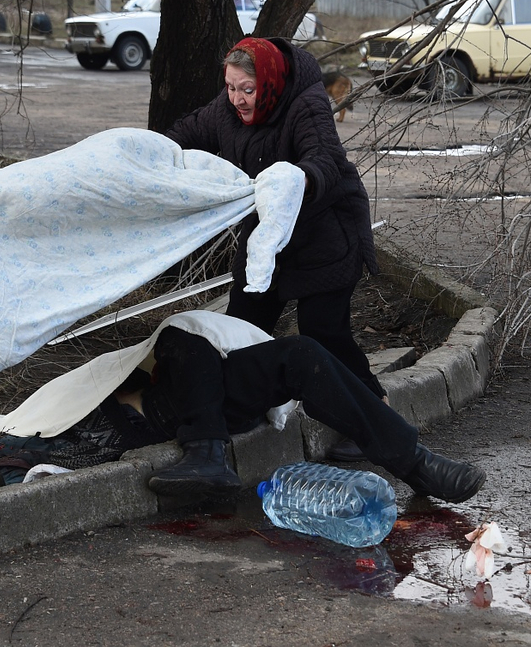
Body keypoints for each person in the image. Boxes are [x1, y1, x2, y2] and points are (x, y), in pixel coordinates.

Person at [0, 311, 485, 505]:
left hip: (208, 407)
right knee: (179, 336)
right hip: (160, 416)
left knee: (300, 352)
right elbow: (42, 426)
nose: (238, 97)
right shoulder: (126, 379)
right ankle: (206, 452)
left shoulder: (191, 353)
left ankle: (416, 466)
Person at [164, 37, 383, 460]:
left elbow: (325, 160)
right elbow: (185, 136)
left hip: (326, 234)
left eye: (247, 89)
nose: (238, 99)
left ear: (269, 80)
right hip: (267, 241)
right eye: (230, 87)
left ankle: (374, 419)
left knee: (325, 333)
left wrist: (294, 181)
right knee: (242, 327)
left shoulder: (306, 104)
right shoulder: (227, 107)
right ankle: (238, 411)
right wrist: (151, 154)